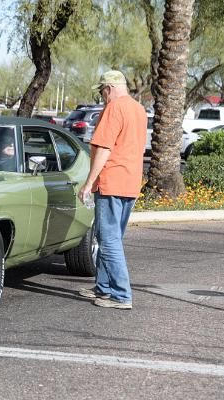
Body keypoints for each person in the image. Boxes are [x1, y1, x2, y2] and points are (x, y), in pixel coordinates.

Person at [76, 70, 147, 310]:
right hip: (131, 182)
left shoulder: (113, 108)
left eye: (102, 91)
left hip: (112, 181)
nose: (102, 95)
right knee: (112, 238)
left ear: (109, 88)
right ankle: (104, 288)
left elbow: (104, 149)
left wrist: (89, 183)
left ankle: (121, 295)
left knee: (108, 241)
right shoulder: (138, 109)